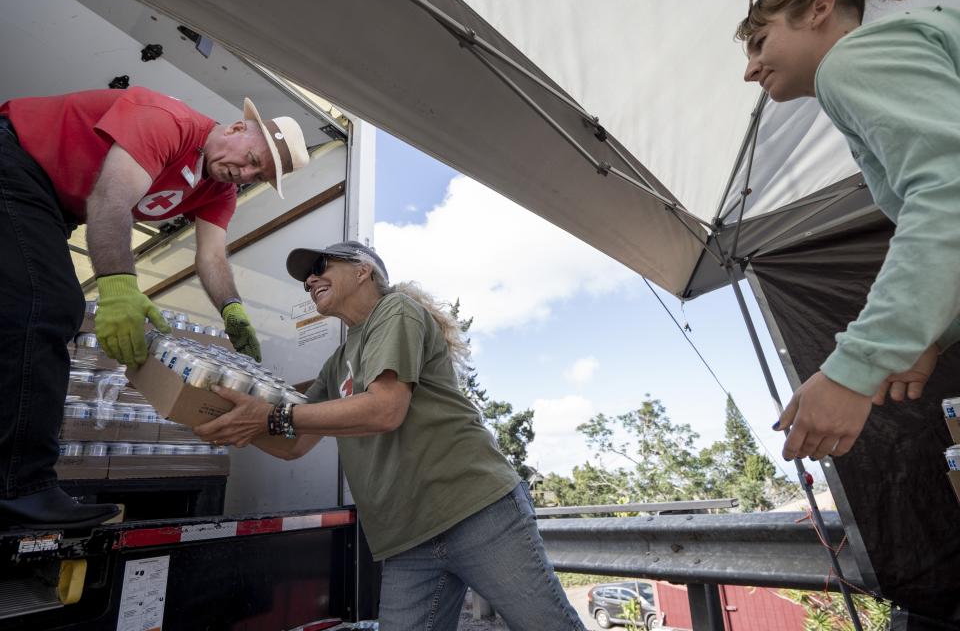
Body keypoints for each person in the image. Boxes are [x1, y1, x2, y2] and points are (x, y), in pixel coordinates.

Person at [193, 241, 586, 630]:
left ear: (362, 270)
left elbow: (385, 409)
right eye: (307, 278)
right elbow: (295, 442)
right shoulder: (336, 364)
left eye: (321, 265)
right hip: (406, 538)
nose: (311, 279)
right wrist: (230, 421)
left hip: (475, 512)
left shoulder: (396, 311)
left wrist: (270, 419)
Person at [0, 86, 310, 527]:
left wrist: (233, 311)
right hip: (17, 160)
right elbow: (111, 199)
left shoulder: (217, 189)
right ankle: (18, 490)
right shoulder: (169, 121)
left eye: (254, 177)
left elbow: (212, 257)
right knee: (46, 306)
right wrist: (120, 288)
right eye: (252, 160)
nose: (243, 174)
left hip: (54, 205)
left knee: (26, 310)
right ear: (240, 128)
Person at [737, 0, 960, 461]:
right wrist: (932, 332)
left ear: (820, 8)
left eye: (760, 41)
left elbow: (948, 196)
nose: (750, 70)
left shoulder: (850, 60)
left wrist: (855, 366)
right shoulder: (911, 41)